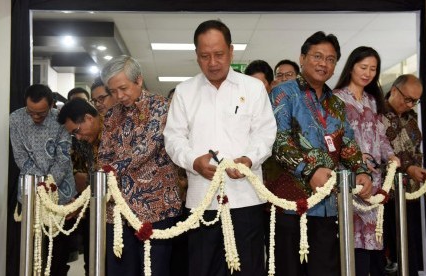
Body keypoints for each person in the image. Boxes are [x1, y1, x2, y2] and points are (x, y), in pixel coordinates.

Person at [163, 20, 276, 276]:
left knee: (249, 269)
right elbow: (174, 139)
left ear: (231, 51)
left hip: (246, 198)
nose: (212, 62)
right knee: (204, 269)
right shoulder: (184, 92)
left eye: (219, 54)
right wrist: (193, 161)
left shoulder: (253, 88)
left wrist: (249, 159)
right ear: (196, 56)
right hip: (202, 203)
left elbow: (266, 133)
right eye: (204, 56)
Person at [267, 31, 372, 276]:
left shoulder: (336, 104)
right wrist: (309, 169)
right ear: (302, 58)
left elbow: (347, 144)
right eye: (317, 56)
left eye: (331, 59)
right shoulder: (283, 93)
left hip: (327, 206)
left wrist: (362, 171)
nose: (323, 63)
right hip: (290, 205)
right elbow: (277, 141)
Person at [99, 55, 182, 276]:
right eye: (113, 91)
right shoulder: (111, 115)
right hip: (117, 211)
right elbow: (104, 153)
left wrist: (110, 169)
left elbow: (146, 148)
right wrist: (103, 169)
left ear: (139, 81)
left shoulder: (161, 107)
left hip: (155, 208)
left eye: (123, 88)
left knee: (154, 270)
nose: (119, 96)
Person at [333, 46, 400, 276]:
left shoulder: (372, 100)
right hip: (350, 180)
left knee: (375, 246)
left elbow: (380, 136)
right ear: (351, 67)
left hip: (375, 180)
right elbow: (333, 138)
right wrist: (353, 156)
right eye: (363, 67)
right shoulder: (337, 98)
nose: (368, 73)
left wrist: (390, 155)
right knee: (355, 244)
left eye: (373, 69)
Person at [9, 83, 76, 275]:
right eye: (31, 112)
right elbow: (21, 158)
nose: (36, 117)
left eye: (41, 112)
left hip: (61, 193)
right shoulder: (15, 119)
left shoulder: (62, 120)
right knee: (31, 249)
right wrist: (40, 185)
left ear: (52, 105)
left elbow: (63, 159)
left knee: (58, 255)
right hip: (31, 194)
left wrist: (48, 186)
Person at [381, 74, 426, 276]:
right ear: (393, 91)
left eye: (415, 101)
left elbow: (415, 149)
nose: (410, 105)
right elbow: (383, 151)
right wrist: (408, 167)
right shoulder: (376, 114)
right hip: (385, 194)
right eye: (407, 99)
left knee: (411, 246)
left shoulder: (412, 117)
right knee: (391, 249)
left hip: (410, 193)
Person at [57, 98, 103, 276]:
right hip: (92, 210)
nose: (77, 137)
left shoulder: (115, 132)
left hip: (121, 215)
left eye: (77, 130)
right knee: (91, 263)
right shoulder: (82, 141)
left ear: (89, 118)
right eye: (72, 134)